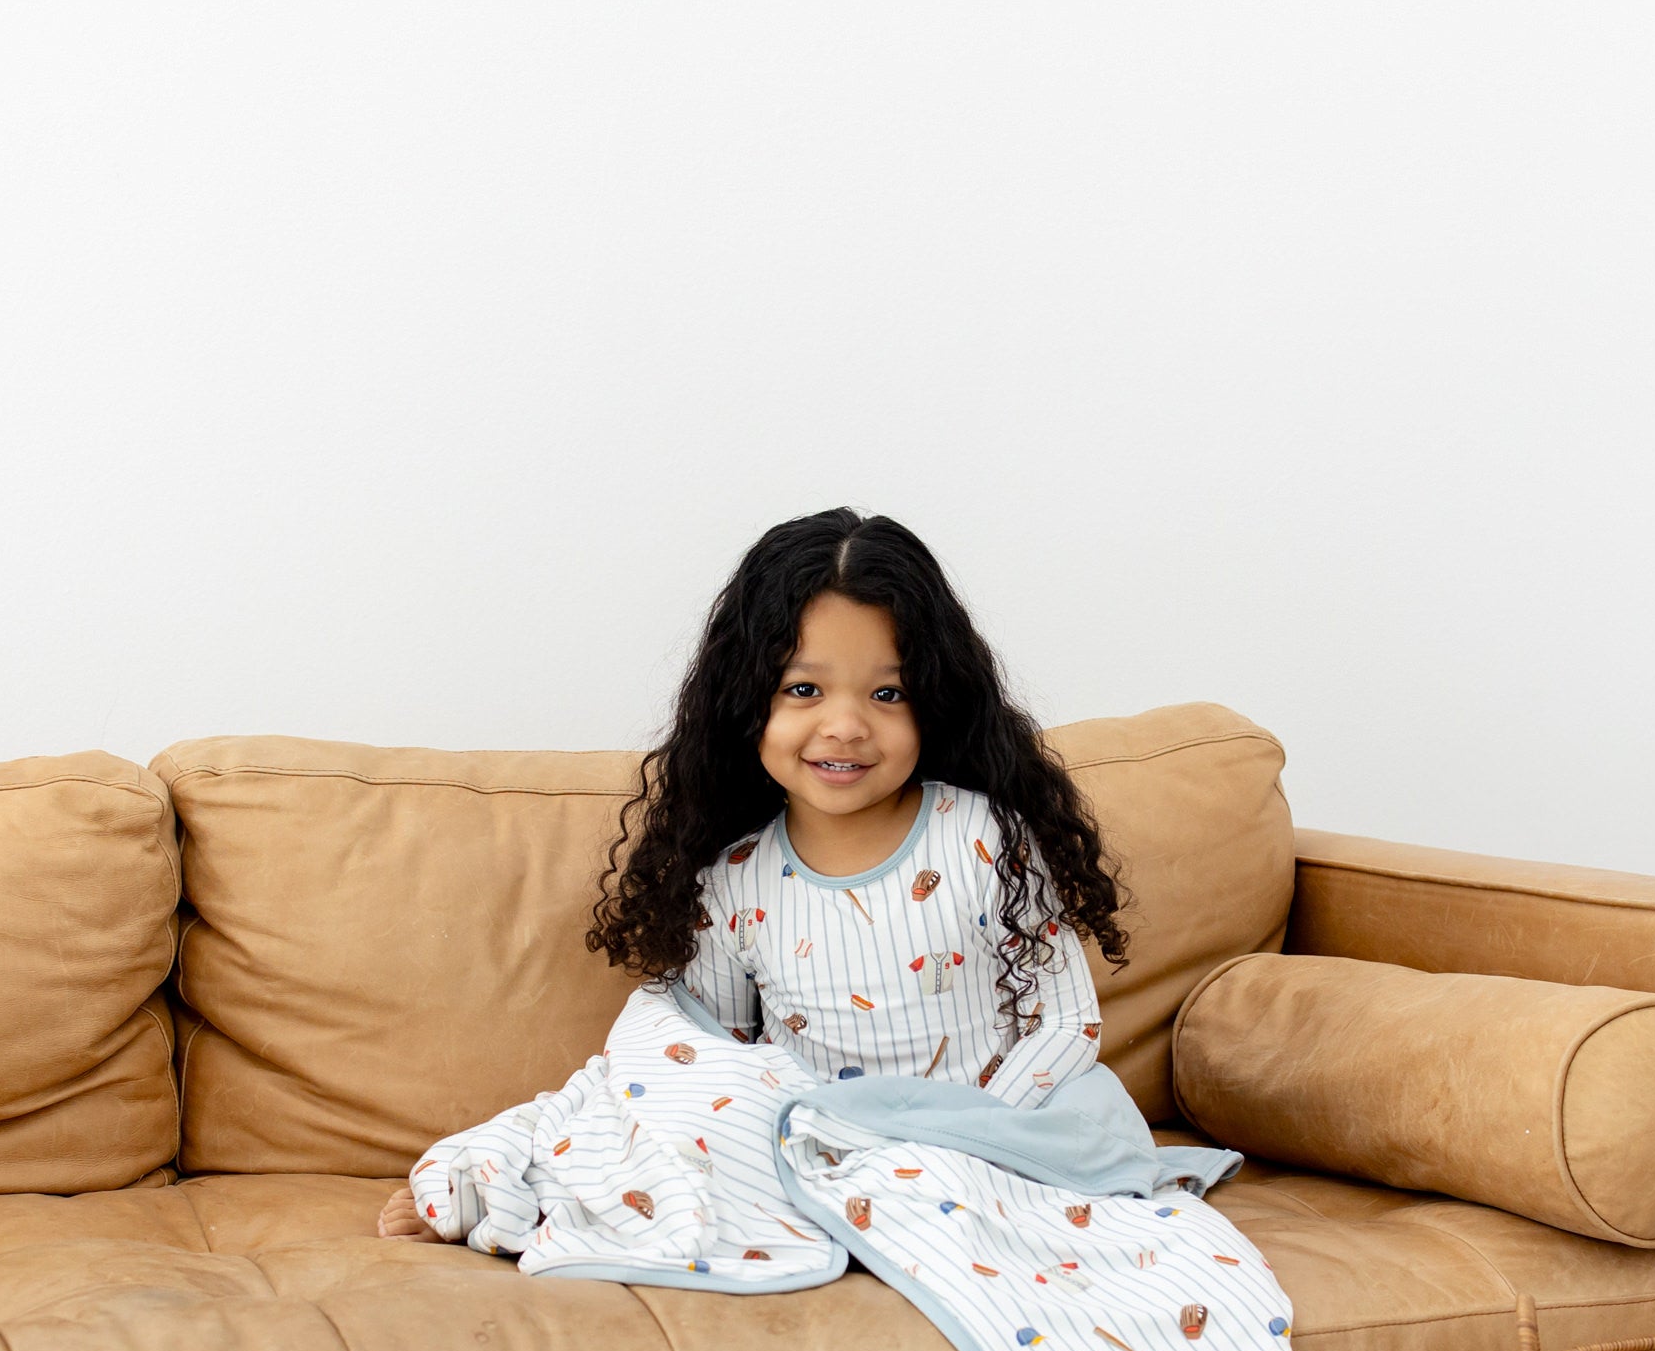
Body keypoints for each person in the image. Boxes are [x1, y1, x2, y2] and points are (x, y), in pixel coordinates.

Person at [380, 506, 1128, 1239]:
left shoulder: (984, 835)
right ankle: (503, 1175)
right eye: (804, 689)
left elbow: (1068, 1023)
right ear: (747, 705)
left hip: (996, 1142)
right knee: (636, 1096)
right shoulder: (736, 878)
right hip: (827, 1155)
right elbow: (706, 1065)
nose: (845, 724)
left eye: (887, 692)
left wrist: (968, 1138)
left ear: (936, 702)